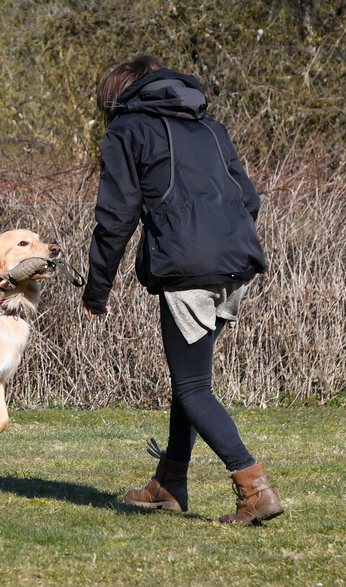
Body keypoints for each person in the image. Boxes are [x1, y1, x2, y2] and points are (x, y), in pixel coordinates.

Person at [81, 56, 283, 525]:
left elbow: (116, 215)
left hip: (188, 267)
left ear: (119, 93)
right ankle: (169, 482)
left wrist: (97, 288)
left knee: (193, 387)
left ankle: (255, 489)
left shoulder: (127, 129)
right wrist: (219, 242)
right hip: (235, 264)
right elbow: (248, 198)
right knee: (189, 381)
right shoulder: (210, 127)